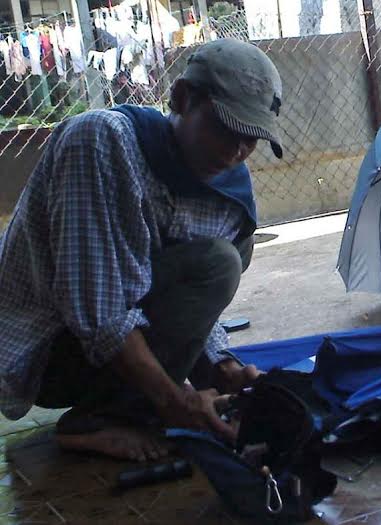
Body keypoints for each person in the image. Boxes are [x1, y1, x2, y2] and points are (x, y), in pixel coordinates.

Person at [0, 38, 283, 462]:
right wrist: (174, 402)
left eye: (251, 137)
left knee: (229, 254)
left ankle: (128, 402)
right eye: (226, 127)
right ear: (182, 99)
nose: (238, 150)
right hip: (46, 354)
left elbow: (184, 305)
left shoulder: (230, 195)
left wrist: (220, 366)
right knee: (218, 263)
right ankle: (96, 418)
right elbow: (98, 311)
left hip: (109, 343)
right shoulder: (100, 142)